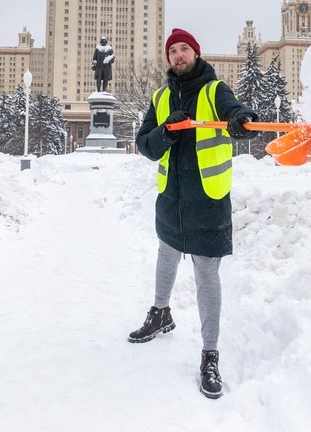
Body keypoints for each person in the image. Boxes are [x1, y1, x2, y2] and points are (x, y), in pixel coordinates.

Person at [131, 27, 258, 399]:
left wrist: (242, 120)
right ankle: (160, 313)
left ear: (196, 54)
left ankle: (210, 354)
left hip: (207, 201)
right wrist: (166, 133)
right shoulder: (160, 96)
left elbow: (238, 114)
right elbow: (145, 145)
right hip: (171, 199)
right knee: (165, 255)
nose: (179, 56)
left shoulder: (214, 91)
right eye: (173, 51)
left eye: (185, 49)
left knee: (206, 274)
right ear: (168, 58)